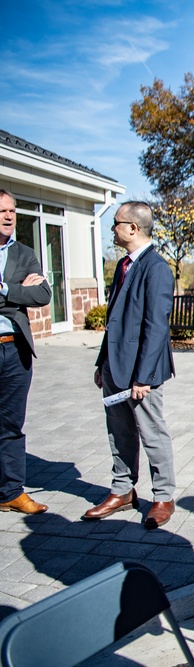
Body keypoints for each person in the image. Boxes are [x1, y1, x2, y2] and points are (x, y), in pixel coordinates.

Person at [87, 201, 177, 529]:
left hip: (141, 373)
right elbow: (114, 320)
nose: (112, 228)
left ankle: (164, 496)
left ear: (133, 228)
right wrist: (102, 363)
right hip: (114, 367)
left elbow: (156, 327)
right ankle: (123, 491)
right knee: (119, 431)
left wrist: (144, 377)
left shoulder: (156, 268)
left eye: (116, 223)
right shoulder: (123, 265)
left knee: (151, 432)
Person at [0, 188, 51, 515]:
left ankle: (11, 492)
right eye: (2, 211)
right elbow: (27, 295)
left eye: (12, 211)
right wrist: (19, 293)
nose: (8, 216)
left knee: (11, 425)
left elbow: (44, 294)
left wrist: (5, 289)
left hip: (14, 350)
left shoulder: (24, 254)